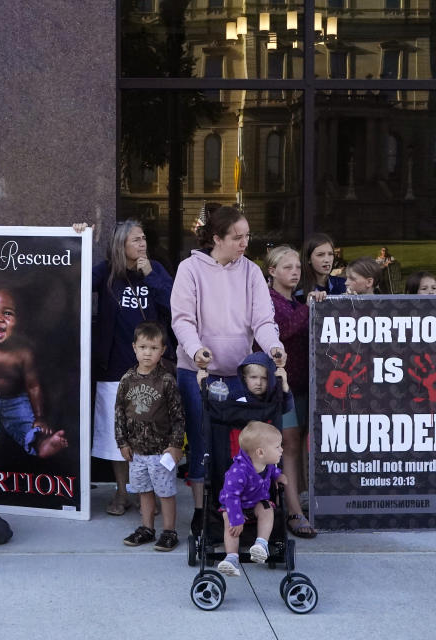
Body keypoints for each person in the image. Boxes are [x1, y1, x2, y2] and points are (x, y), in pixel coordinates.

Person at [170, 205, 285, 535]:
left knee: (239, 445)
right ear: (216, 238)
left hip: (239, 374)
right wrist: (196, 350)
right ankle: (202, 510)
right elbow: (182, 320)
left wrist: (273, 346)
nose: (244, 242)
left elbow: (262, 320)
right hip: (198, 373)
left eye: (247, 235)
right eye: (237, 237)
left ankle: (240, 507)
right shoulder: (190, 269)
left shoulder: (250, 272)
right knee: (204, 442)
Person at [91, 219, 173, 516]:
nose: (142, 244)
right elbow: (76, 281)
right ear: (120, 244)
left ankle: (147, 494)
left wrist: (152, 277)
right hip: (113, 367)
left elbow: (172, 306)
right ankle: (122, 492)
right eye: (136, 240)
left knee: (150, 432)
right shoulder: (107, 273)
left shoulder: (156, 270)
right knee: (116, 434)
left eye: (143, 239)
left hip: (150, 368)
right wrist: (76, 238)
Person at [0, 287, 67, 458]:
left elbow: (33, 386)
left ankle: (42, 443)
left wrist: (39, 416)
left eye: (8, 313)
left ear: (20, 322)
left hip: (15, 401)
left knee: (29, 424)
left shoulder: (24, 352)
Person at [265, 245, 322, 537]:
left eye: (298, 267)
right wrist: (310, 308)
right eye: (287, 267)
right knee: (287, 445)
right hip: (279, 388)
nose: (295, 272)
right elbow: (283, 330)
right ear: (272, 271)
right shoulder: (268, 302)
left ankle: (297, 499)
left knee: (298, 444)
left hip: (303, 386)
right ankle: (293, 512)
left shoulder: (299, 304)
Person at [115, 321, 185, 552]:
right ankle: (147, 528)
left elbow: (178, 417)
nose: (147, 353)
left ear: (162, 350)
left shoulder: (166, 381)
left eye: (153, 348)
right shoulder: (127, 379)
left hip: (161, 450)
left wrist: (176, 446)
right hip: (137, 451)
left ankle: (169, 531)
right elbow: (119, 413)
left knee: (165, 492)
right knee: (143, 491)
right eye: (143, 347)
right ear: (134, 347)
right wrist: (122, 442)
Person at [216, 421, 287, 577]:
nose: (281, 450)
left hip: (256, 503)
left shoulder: (267, 464)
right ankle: (232, 558)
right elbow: (231, 495)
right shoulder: (238, 471)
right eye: (277, 447)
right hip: (234, 505)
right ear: (260, 452)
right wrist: (237, 519)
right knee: (229, 520)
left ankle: (261, 545)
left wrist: (278, 476)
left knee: (267, 508)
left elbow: (273, 471)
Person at [296, 233, 347, 301]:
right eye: (320, 255)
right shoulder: (298, 291)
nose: (327, 259)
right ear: (308, 259)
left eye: (330, 254)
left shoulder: (344, 284)